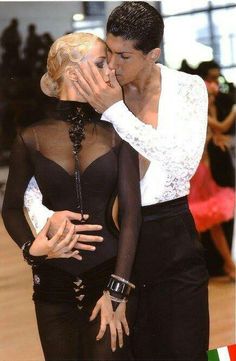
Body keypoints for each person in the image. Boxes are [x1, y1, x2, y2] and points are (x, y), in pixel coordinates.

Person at [24, 2, 209, 361]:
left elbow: (182, 163)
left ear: (153, 54)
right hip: (113, 251)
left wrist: (116, 112)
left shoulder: (187, 88)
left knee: (183, 350)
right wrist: (44, 226)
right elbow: (41, 173)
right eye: (108, 51)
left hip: (172, 243)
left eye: (123, 56)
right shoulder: (97, 90)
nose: (111, 65)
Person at [2, 32, 141, 361]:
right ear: (74, 73)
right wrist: (32, 250)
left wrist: (118, 290)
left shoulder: (118, 132)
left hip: (109, 279)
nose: (110, 70)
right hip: (52, 287)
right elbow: (9, 210)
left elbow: (132, 216)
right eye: (100, 63)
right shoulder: (32, 138)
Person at [189, 81, 236, 281]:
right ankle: (200, 268)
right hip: (197, 173)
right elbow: (223, 126)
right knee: (197, 222)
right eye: (209, 95)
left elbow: (216, 133)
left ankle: (228, 264)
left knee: (210, 224)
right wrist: (234, 109)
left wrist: (217, 139)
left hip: (205, 172)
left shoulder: (207, 113)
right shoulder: (200, 114)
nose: (212, 99)